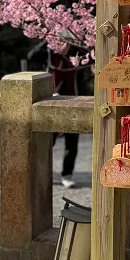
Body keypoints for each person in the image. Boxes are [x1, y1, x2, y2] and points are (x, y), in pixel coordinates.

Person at [48, 49, 89, 188]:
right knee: (48, 141)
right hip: (53, 102)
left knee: (71, 140)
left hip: (75, 101)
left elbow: (91, 57)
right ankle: (43, 171)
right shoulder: (51, 54)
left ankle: (67, 174)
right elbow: (31, 55)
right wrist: (49, 46)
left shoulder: (79, 53)